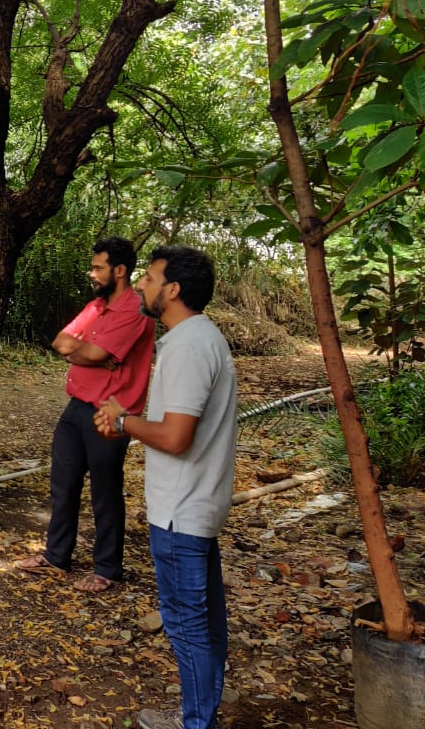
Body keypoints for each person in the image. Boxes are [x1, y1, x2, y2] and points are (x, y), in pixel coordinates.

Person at [94, 245, 238, 729]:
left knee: (187, 624)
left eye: (151, 279)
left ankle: (197, 722)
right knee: (203, 620)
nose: (142, 285)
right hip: (195, 503)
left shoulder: (188, 346)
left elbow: (176, 437)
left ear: (173, 290)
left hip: (181, 510)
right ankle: (199, 714)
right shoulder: (200, 338)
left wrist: (124, 419)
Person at [17, 237, 155, 592]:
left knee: (105, 492)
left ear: (120, 270)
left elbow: (90, 353)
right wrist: (90, 352)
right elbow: (61, 342)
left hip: (111, 411)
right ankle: (56, 555)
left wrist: (91, 353)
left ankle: (107, 568)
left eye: (98, 267)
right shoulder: (95, 306)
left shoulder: (135, 310)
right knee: (63, 484)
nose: (91, 273)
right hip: (77, 406)